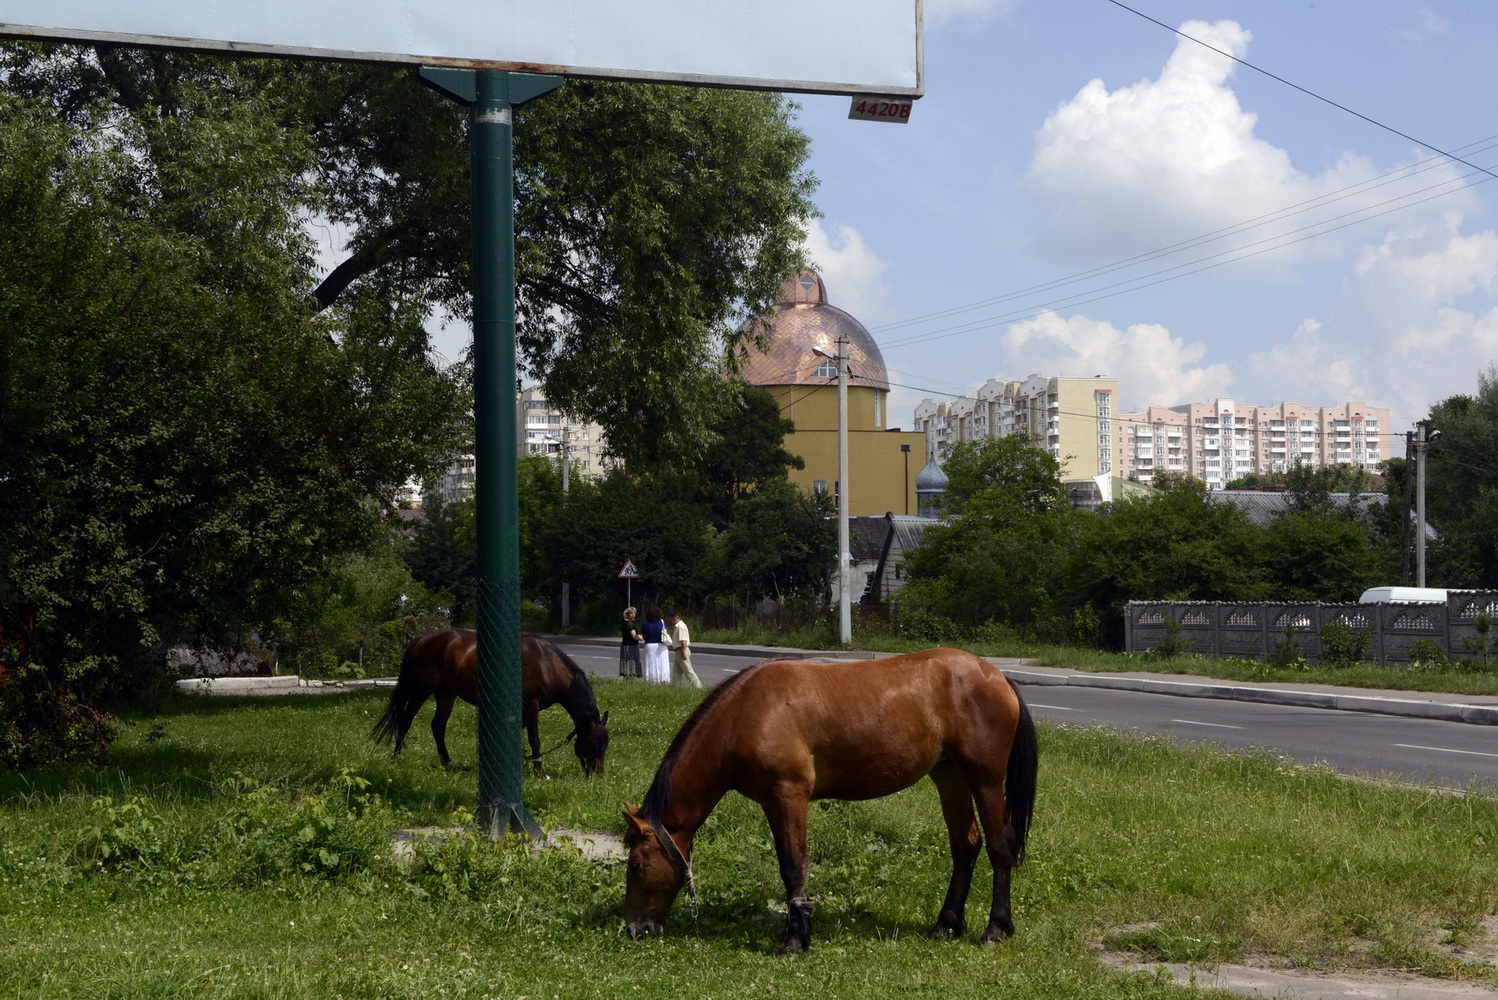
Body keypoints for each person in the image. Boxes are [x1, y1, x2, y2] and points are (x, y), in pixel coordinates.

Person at [667, 611, 702, 689]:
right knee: (676, 672)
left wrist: (683, 652)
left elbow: (684, 641)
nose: (670, 622)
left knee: (688, 671)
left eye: (671, 620)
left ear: (675, 618)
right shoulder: (677, 626)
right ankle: (674, 688)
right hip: (678, 651)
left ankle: (698, 687)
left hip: (682, 651)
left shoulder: (681, 627)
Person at [641, 605, 670, 684]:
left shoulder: (645, 624)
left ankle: (650, 681)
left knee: (650, 665)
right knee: (662, 665)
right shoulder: (662, 622)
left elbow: (644, 636)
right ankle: (663, 682)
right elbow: (665, 632)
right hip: (661, 646)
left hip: (649, 646)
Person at [619, 607, 642, 678]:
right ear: (627, 614)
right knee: (631, 663)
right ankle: (631, 677)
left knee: (626, 663)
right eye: (631, 613)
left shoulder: (625, 623)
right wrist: (642, 637)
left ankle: (627, 677)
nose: (633, 615)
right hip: (631, 647)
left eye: (634, 613)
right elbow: (634, 636)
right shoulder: (629, 624)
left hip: (625, 645)